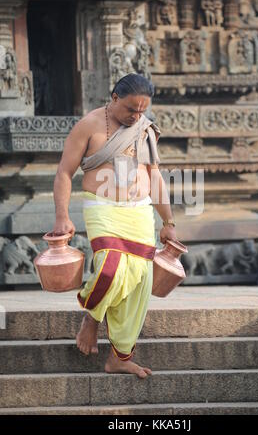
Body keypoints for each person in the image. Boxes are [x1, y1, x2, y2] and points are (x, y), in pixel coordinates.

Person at [52, 73, 177, 379]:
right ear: (114, 98)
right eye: (131, 109)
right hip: (103, 208)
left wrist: (168, 221)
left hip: (139, 212)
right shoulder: (89, 125)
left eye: (142, 111)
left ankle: (120, 356)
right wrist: (62, 216)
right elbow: (65, 173)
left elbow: (155, 176)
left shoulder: (145, 129)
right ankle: (92, 320)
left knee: (139, 282)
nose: (136, 116)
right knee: (113, 267)